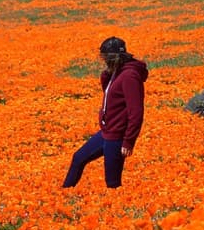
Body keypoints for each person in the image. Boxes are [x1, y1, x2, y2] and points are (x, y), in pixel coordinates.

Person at [62, 37, 148, 189]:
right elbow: (111, 97)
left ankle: (116, 209)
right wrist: (106, 76)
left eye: (106, 58)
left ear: (115, 58)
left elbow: (136, 112)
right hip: (107, 132)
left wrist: (128, 141)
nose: (104, 61)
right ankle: (63, 194)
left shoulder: (129, 76)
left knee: (112, 183)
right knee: (78, 158)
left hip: (117, 136)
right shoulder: (117, 72)